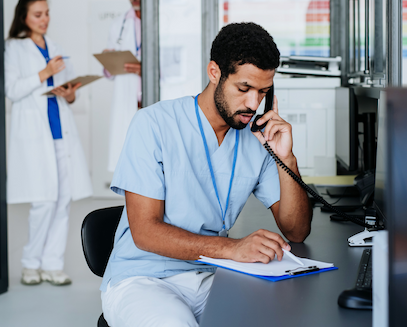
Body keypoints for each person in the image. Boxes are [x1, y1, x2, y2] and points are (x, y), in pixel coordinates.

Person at [100, 22, 312, 326]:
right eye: (244, 89)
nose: (253, 104)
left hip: (210, 274)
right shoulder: (153, 124)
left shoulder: (257, 139)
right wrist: (234, 248)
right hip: (144, 278)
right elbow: (145, 232)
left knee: (278, 317)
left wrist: (286, 157)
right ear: (214, 72)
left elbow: (297, 230)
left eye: (263, 92)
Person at [5, 0, 93, 286]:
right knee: (43, 201)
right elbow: (13, 90)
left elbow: (66, 90)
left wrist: (70, 93)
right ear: (24, 17)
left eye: (46, 13)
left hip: (60, 133)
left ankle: (53, 265)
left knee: (63, 200)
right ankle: (31, 264)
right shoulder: (14, 48)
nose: (44, 20)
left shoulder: (55, 47)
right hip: (34, 135)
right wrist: (45, 72)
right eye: (37, 15)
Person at [104, 0, 142, 172]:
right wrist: (109, 62)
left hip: (150, 101)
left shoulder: (163, 20)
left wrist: (146, 68)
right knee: (131, 167)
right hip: (128, 104)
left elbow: (179, 68)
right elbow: (109, 74)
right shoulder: (119, 24)